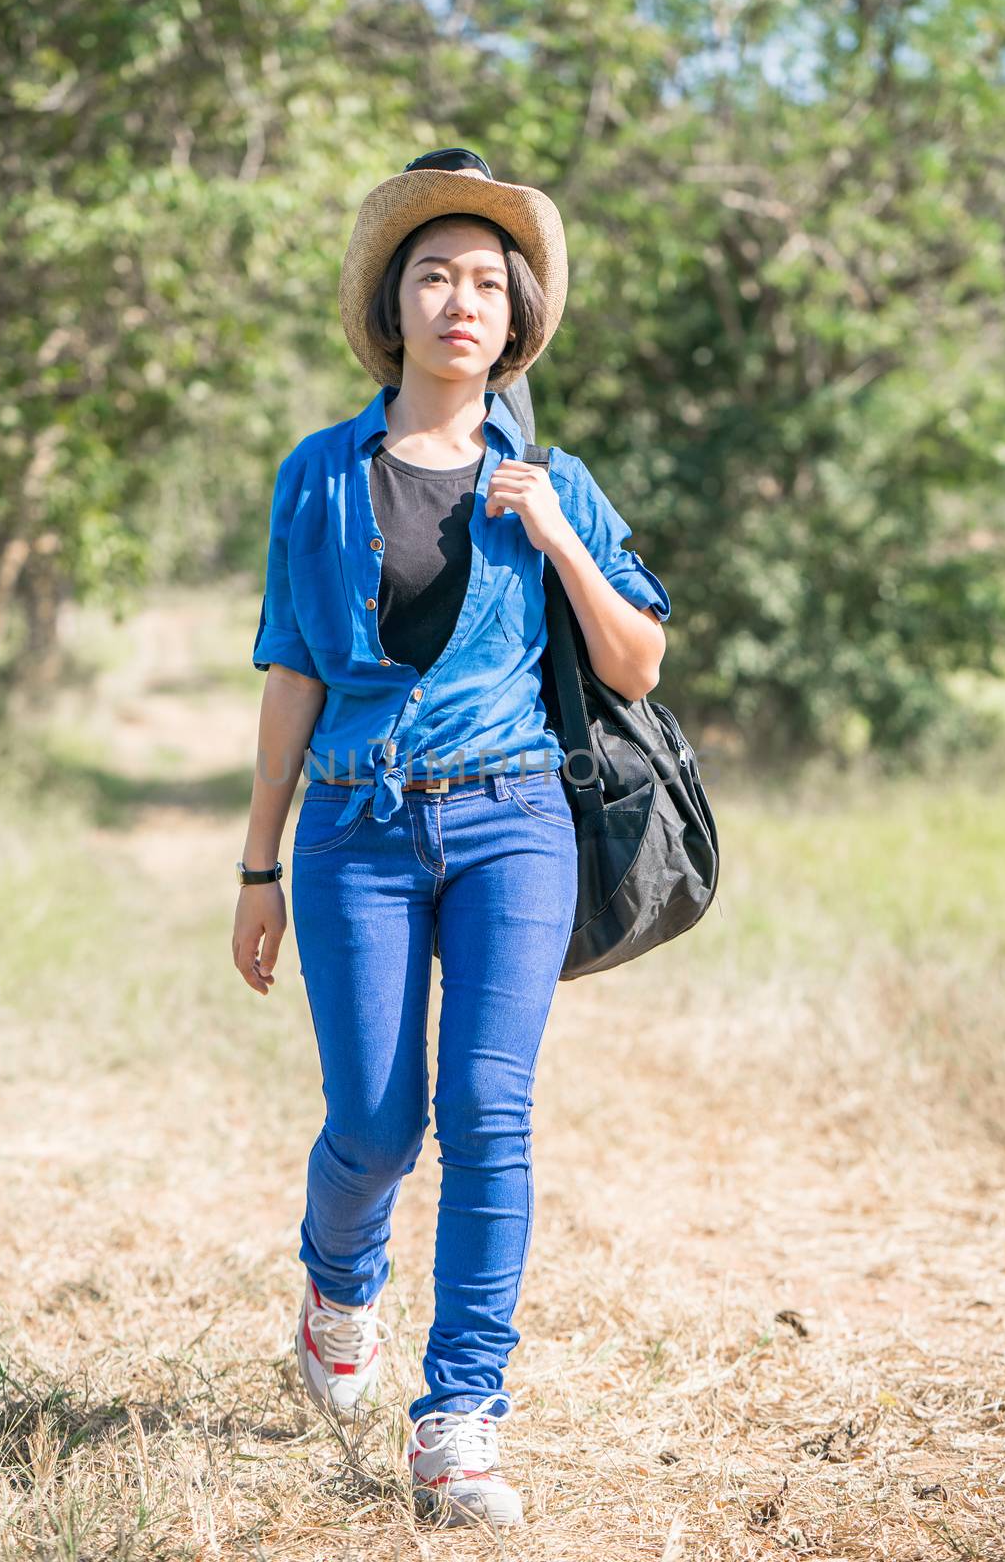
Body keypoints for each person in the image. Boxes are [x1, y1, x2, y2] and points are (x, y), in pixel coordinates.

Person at [232, 150, 671, 1529]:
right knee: (375, 1125)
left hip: (515, 823)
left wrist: (559, 537)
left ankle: (461, 1419)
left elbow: (640, 662)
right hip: (353, 832)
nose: (460, 298)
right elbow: (294, 669)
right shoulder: (320, 474)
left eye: (487, 280)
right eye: (435, 274)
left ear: (516, 317)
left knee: (490, 1113)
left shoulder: (554, 479)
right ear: (395, 304)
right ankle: (338, 1285)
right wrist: (257, 861)